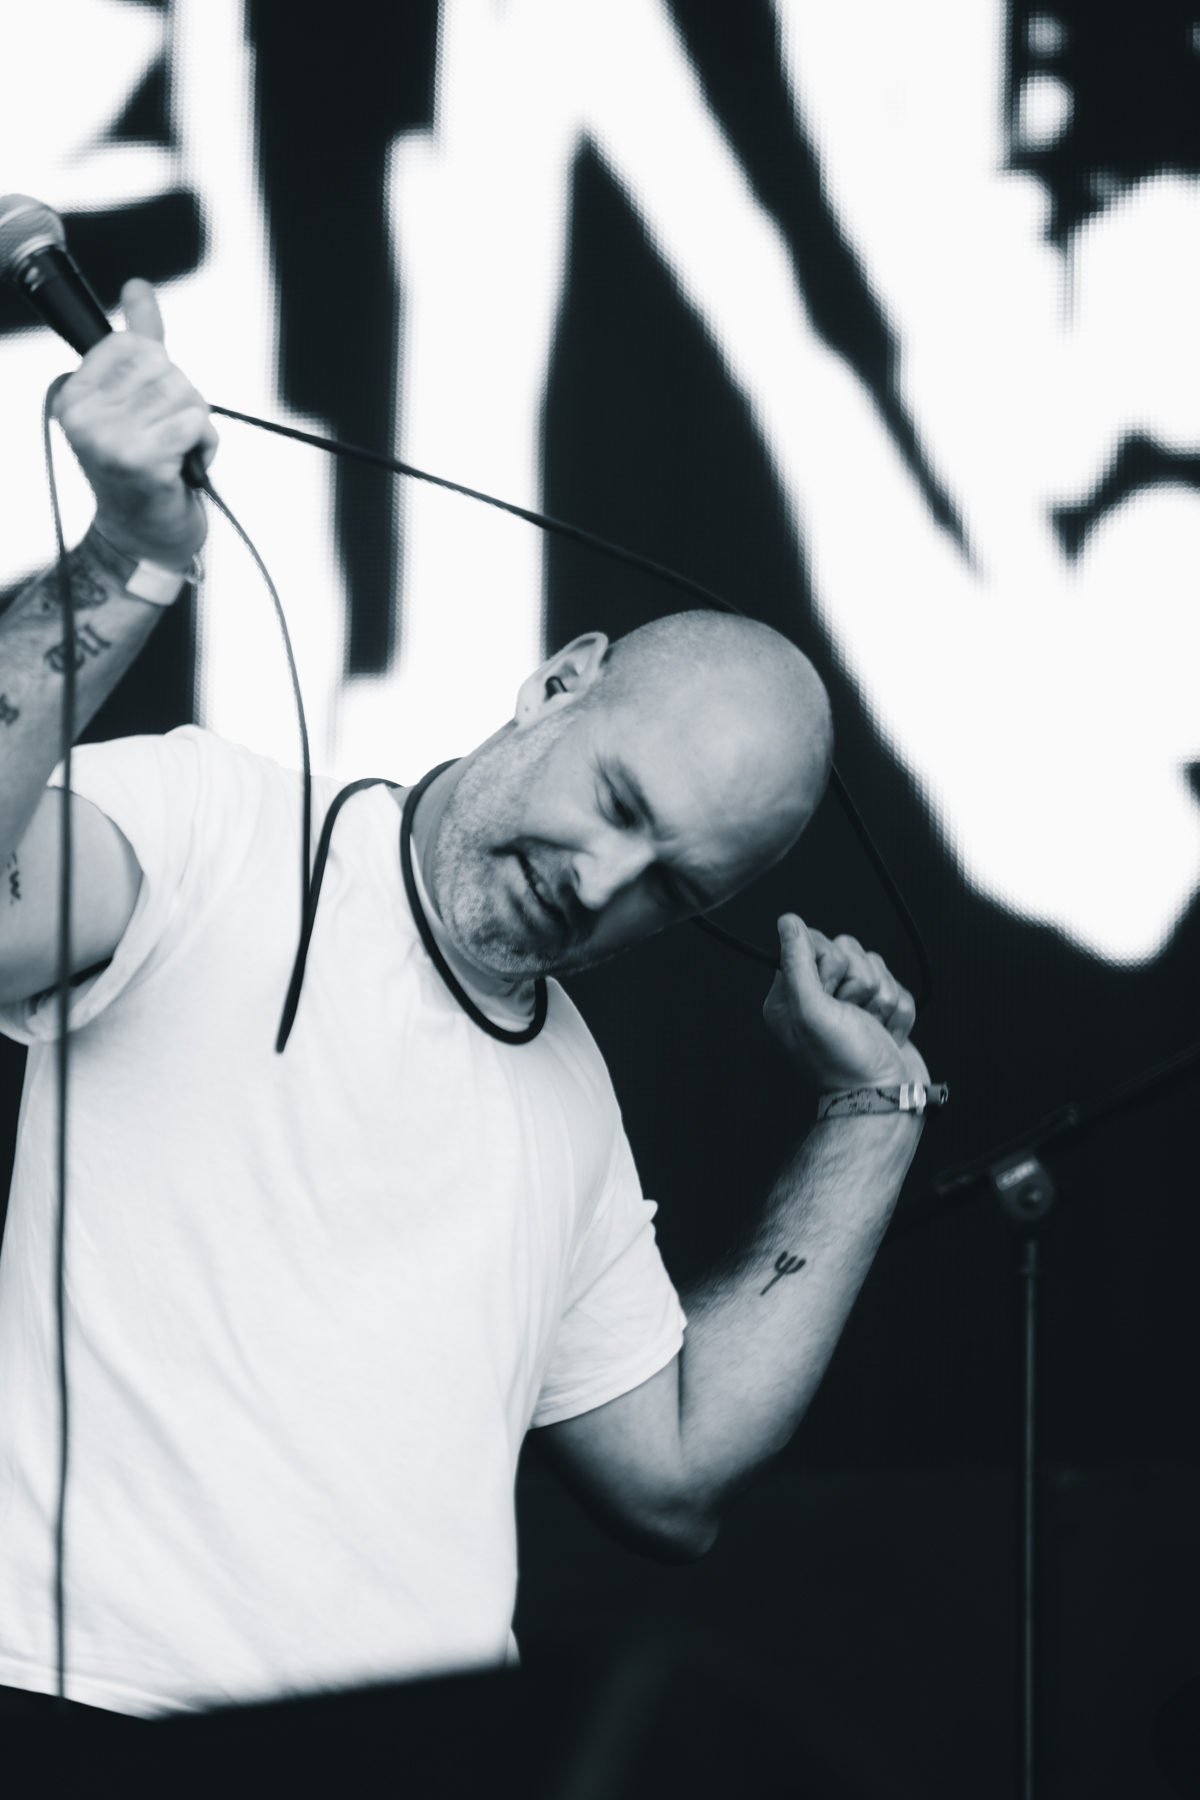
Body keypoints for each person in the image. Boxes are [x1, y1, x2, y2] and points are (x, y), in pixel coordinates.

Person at [0, 282, 932, 1718]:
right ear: (560, 683)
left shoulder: (569, 1095)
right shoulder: (209, 826)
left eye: (672, 885)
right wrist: (127, 560)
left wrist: (873, 1111)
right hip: (95, 1723)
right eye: (619, 800)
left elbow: (675, 1475)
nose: (602, 879)